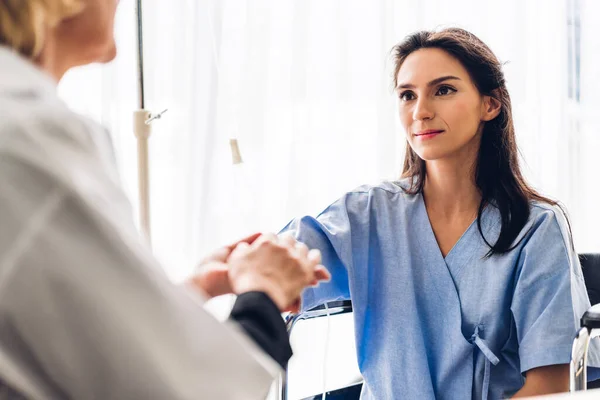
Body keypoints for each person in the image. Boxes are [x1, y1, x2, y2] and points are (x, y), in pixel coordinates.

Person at [0, 1, 329, 399]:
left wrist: (185, 295)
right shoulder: (34, 137)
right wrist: (264, 290)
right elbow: (194, 391)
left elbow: (50, 326)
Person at [281, 27, 600, 399]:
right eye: (407, 95)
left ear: (490, 104)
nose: (421, 111)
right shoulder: (367, 214)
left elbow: (548, 384)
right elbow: (283, 262)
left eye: (443, 90)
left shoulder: (537, 227)